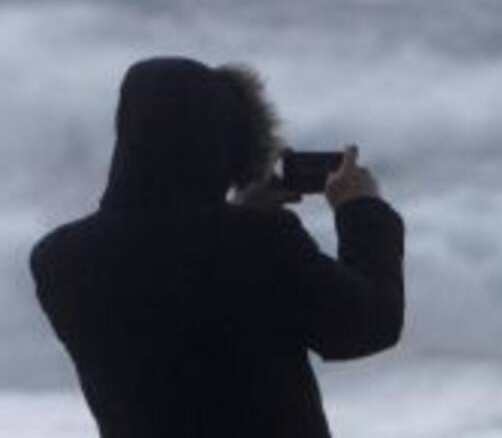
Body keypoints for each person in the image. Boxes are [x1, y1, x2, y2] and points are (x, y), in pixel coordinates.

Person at [30, 56, 405, 438]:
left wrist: (241, 217)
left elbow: (176, 282)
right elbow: (370, 323)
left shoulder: (59, 261)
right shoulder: (261, 244)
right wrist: (360, 209)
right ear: (227, 144)